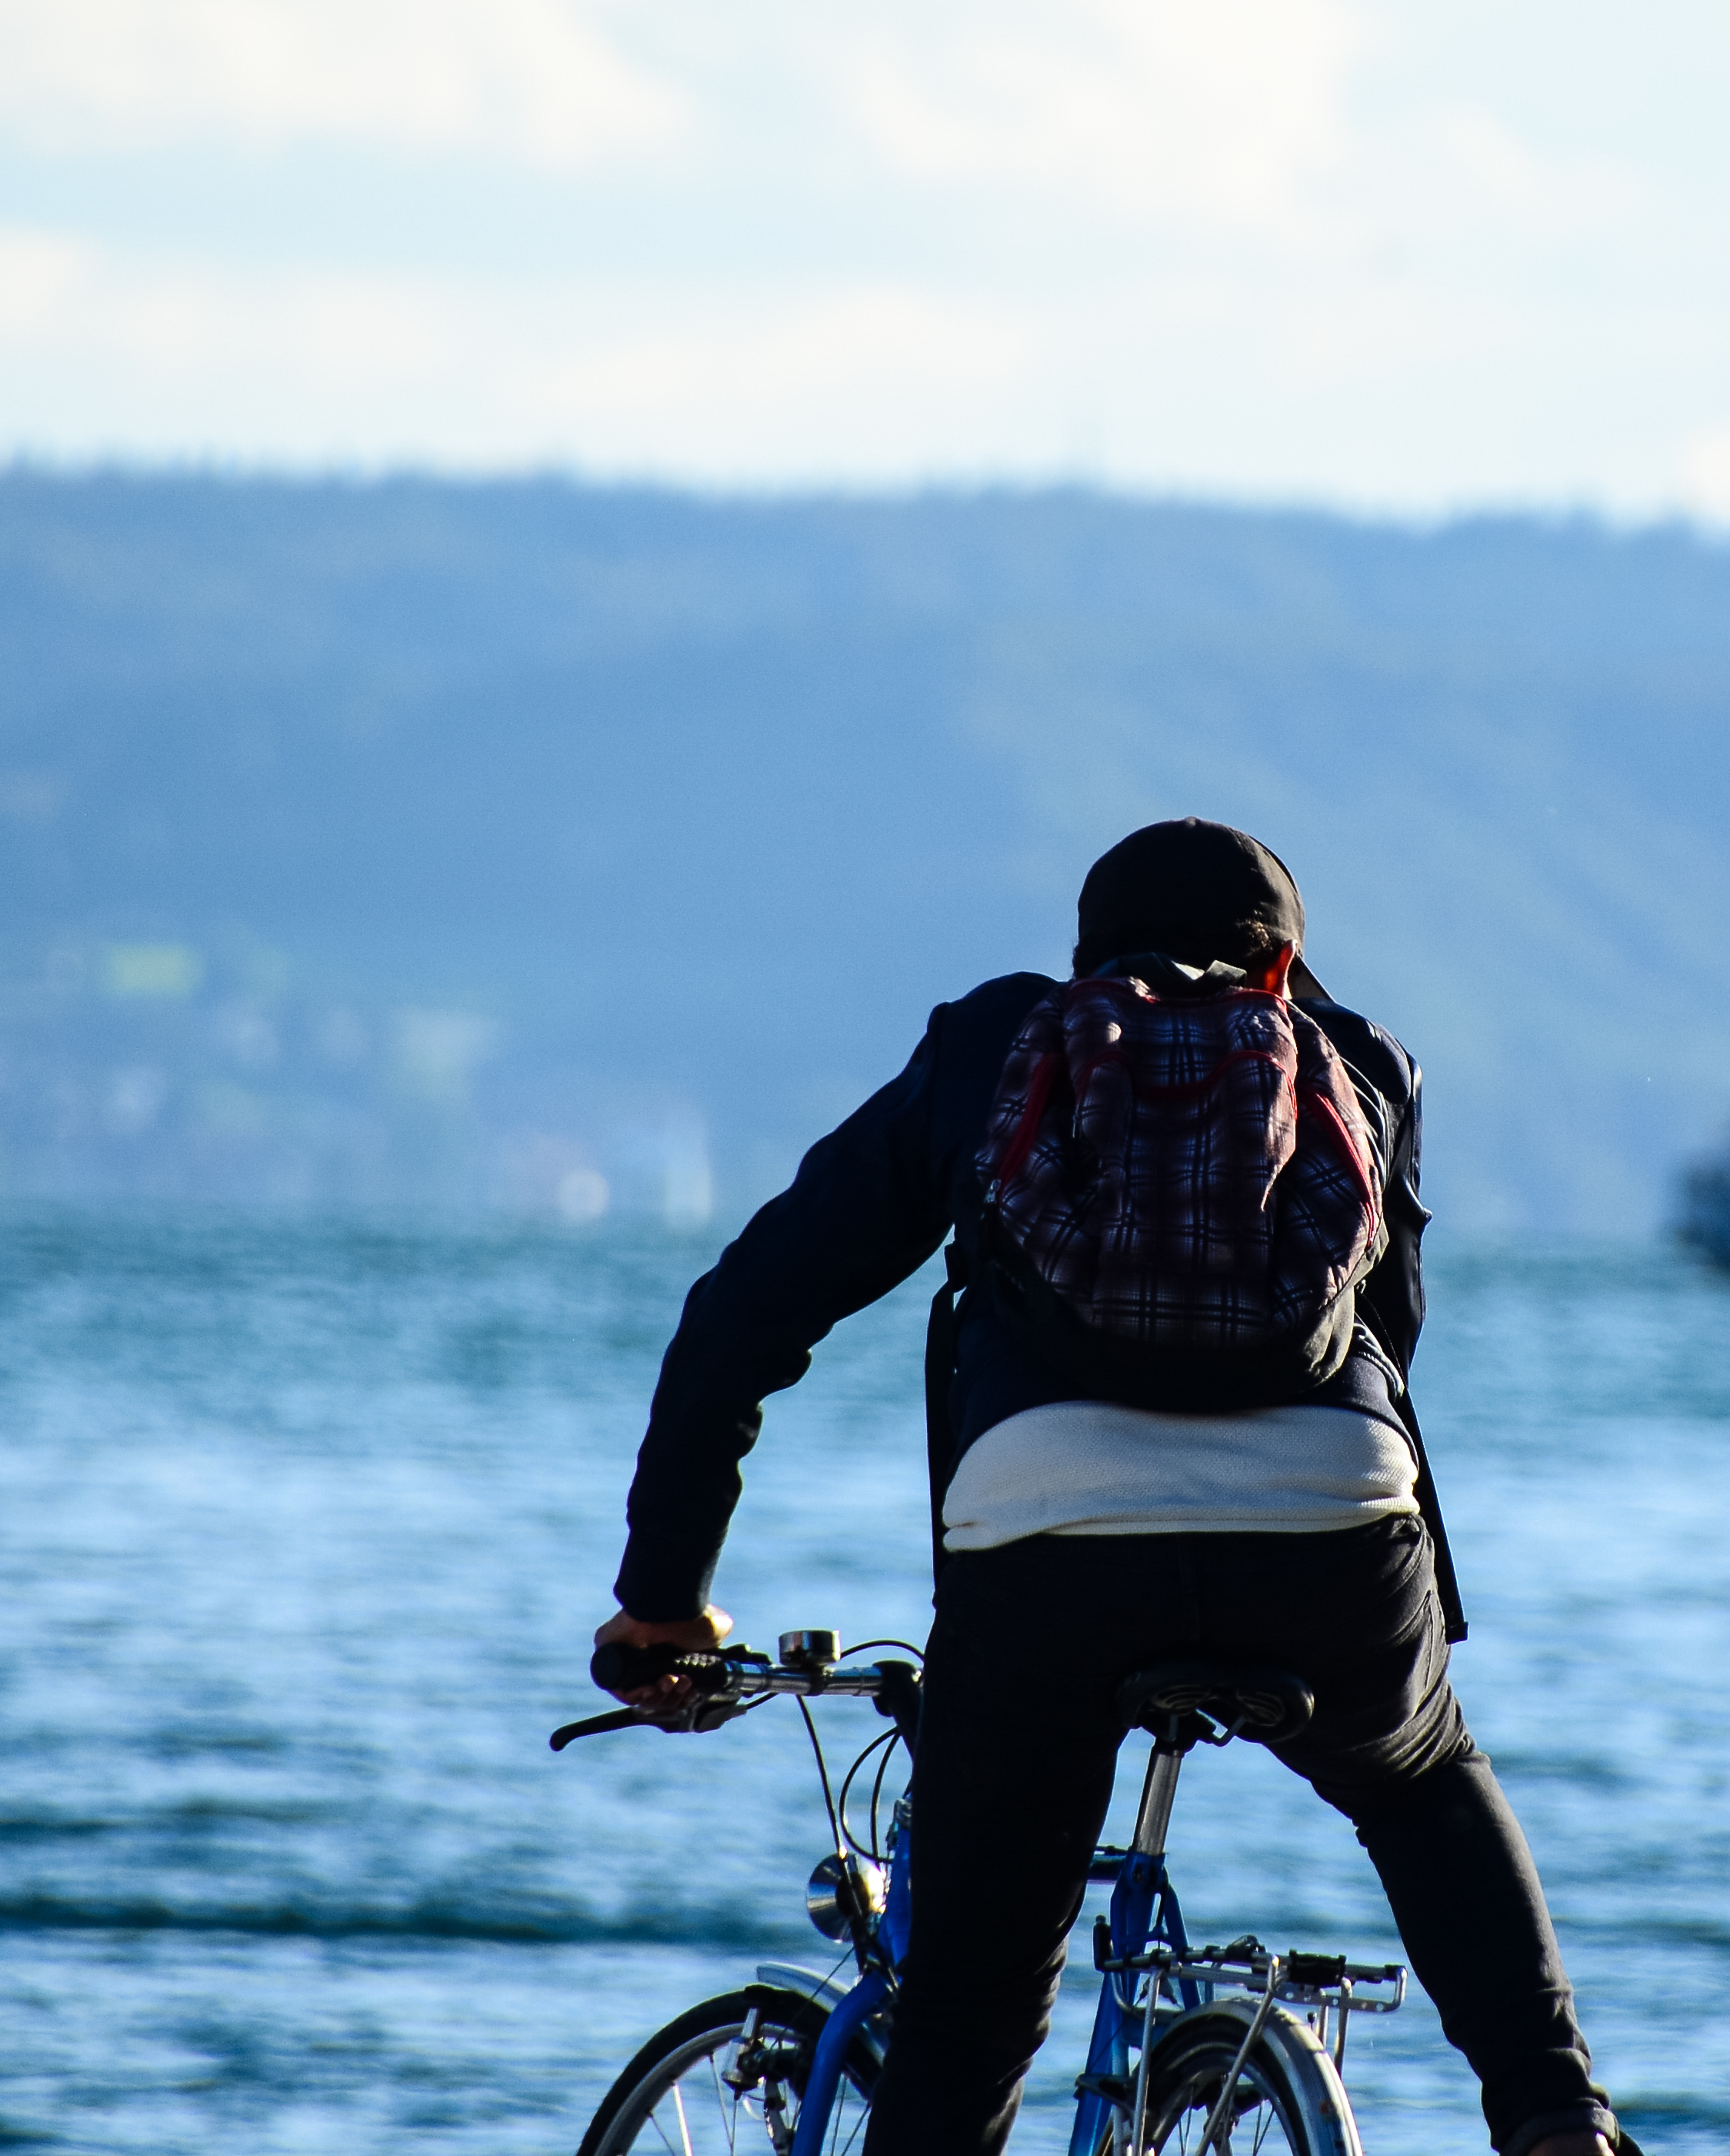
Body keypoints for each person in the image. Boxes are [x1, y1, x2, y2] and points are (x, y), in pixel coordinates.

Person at [595, 818, 1629, 2156]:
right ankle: (1555, 2115)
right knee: (1423, 1779)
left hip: (1047, 1545)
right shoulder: (1358, 1063)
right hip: (1332, 1520)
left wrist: (663, 1598)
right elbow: (1392, 1337)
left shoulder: (999, 1046)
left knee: (969, 2019)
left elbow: (747, 1311)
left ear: (1086, 960)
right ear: (1285, 968)